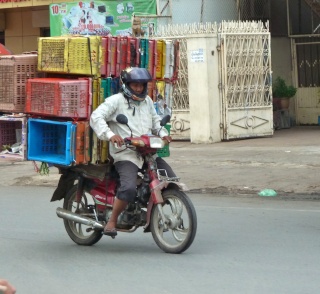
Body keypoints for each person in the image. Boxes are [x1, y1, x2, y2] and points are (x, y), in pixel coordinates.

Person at [90, 67, 175, 237]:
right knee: (128, 188)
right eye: (135, 85)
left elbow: (156, 122)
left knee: (170, 179)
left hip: (148, 151)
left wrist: (164, 134)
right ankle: (112, 220)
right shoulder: (116, 101)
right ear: (127, 84)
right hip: (126, 153)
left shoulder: (148, 101)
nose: (138, 88)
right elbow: (96, 117)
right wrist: (110, 134)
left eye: (141, 85)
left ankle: (154, 211)